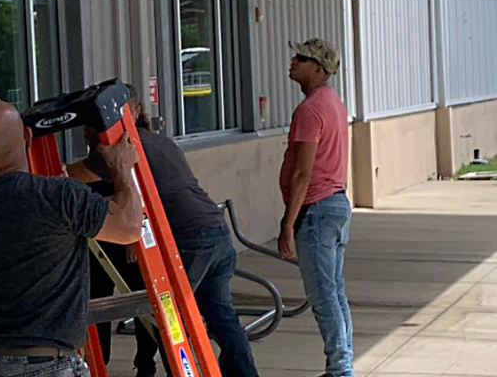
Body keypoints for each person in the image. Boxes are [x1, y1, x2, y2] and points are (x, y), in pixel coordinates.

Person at [68, 84, 259, 377]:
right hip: (216, 231)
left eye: (91, 126)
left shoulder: (122, 147)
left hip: (189, 239)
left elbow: (70, 177)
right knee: (222, 317)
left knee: (170, 318)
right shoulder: (159, 141)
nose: (88, 134)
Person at [0, 100, 143, 377]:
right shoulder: (58, 196)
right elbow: (129, 227)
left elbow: (16, 215)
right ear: (28, 137)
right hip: (48, 362)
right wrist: (123, 168)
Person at [277, 38, 352, 377]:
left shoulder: (309, 110)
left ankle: (340, 370)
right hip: (335, 205)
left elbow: (303, 172)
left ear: (319, 69)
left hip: (317, 210)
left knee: (323, 298)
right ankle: (341, 364)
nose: (293, 61)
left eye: (302, 58)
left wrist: (288, 224)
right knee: (335, 292)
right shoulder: (333, 102)